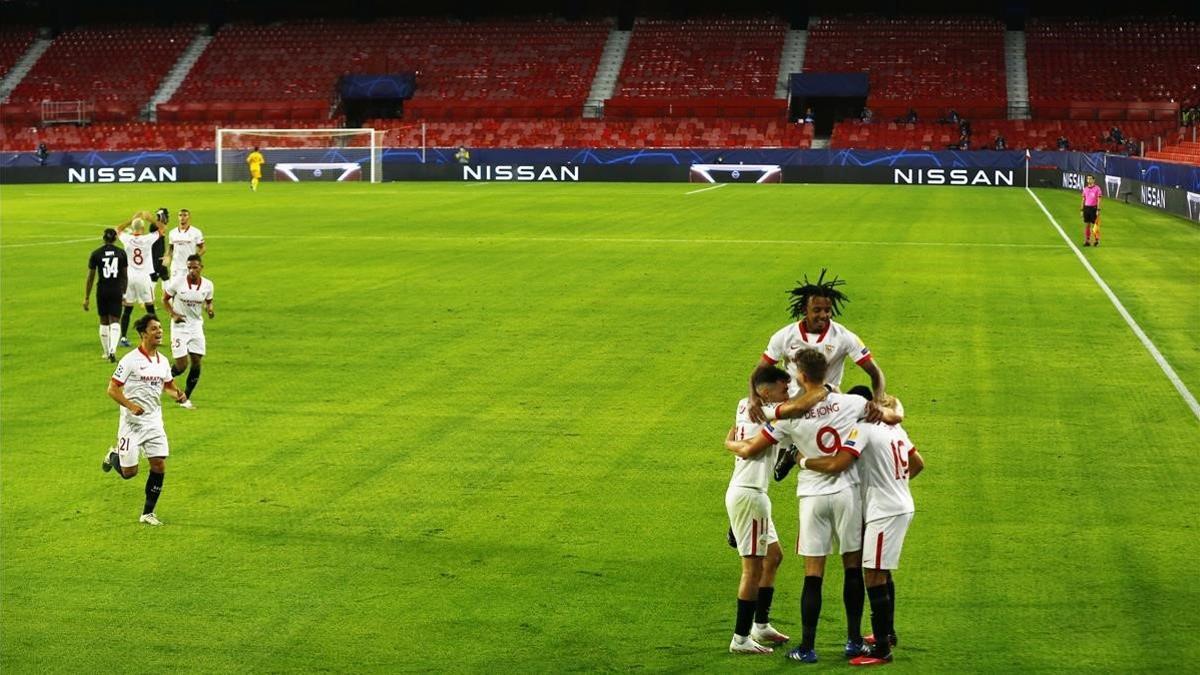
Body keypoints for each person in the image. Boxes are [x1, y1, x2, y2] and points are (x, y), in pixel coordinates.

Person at [728, 350, 898, 663]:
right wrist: (882, 404)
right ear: (828, 372)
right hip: (848, 493)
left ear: (802, 376)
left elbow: (752, 447)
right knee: (852, 569)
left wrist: (731, 443)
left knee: (813, 574)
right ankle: (852, 641)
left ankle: (807, 647)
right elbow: (894, 415)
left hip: (812, 498)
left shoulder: (786, 415)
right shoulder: (853, 404)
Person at [792, 385, 925, 666]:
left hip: (883, 510)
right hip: (901, 504)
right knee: (882, 570)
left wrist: (801, 460)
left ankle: (881, 651)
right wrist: (895, 484)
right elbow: (918, 463)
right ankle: (886, 634)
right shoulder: (895, 429)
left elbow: (838, 463)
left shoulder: (863, 430)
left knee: (874, 576)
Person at [724, 366, 829, 655]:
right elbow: (797, 408)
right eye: (783, 388)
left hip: (749, 493)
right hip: (750, 497)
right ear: (765, 391)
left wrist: (730, 443)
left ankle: (760, 624)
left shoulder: (745, 405)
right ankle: (741, 638)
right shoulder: (767, 414)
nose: (788, 393)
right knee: (752, 568)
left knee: (774, 557)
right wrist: (824, 389)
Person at [748, 269, 887, 423]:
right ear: (804, 310)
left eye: (828, 310)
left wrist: (878, 401)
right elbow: (759, 371)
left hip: (829, 409)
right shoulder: (784, 336)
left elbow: (875, 372)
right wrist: (753, 398)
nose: (823, 315)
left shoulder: (843, 336)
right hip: (794, 408)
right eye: (817, 310)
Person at [101, 314, 189, 526]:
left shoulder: (163, 361)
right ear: (143, 334)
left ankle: (148, 513)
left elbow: (167, 385)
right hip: (131, 424)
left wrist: (178, 394)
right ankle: (113, 455)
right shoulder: (130, 360)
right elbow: (112, 389)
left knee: (158, 465)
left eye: (160, 328)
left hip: (154, 422)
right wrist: (131, 406)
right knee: (129, 473)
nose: (159, 332)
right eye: (154, 329)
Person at [162, 255, 214, 409]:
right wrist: (173, 314)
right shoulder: (178, 282)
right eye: (189, 267)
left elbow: (209, 301)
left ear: (201, 268)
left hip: (196, 326)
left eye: (195, 267)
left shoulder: (208, 285)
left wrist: (210, 310)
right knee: (182, 365)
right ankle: (159, 380)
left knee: (197, 362)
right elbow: (165, 299)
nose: (191, 270)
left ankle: (186, 397)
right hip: (180, 327)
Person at [116, 214, 165, 347]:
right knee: (150, 308)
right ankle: (157, 336)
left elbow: (117, 229)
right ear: (143, 228)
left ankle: (124, 338)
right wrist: (150, 218)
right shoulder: (148, 239)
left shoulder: (127, 238)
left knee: (127, 309)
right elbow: (162, 229)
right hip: (144, 277)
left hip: (129, 277)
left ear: (133, 228)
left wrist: (131, 220)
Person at [84, 228, 128, 362]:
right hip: (116, 290)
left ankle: (105, 352)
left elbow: (90, 277)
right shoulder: (121, 253)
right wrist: (124, 293)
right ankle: (113, 350)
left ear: (103, 238)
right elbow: (124, 276)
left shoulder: (96, 254)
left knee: (103, 321)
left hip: (102, 290)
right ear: (115, 239)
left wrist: (86, 297)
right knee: (115, 320)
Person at [166, 208, 205, 281]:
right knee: (174, 290)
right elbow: (171, 247)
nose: (182, 217)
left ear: (189, 217)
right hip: (176, 268)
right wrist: (166, 259)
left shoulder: (196, 232)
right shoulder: (172, 232)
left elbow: (203, 248)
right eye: (180, 215)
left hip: (189, 267)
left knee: (188, 290)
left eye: (185, 215)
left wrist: (195, 257)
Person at [150, 207, 170, 291]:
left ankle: (167, 297)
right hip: (156, 255)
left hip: (160, 254)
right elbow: (163, 226)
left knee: (165, 276)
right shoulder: (155, 225)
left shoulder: (158, 225)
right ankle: (148, 298)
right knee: (154, 277)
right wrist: (162, 216)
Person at [1081, 174, 1102, 246]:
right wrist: (1082, 209)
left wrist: (1098, 209)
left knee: (1095, 225)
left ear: (1093, 180)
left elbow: (1099, 199)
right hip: (1086, 208)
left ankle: (1097, 240)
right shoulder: (1085, 189)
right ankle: (1087, 240)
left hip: (1094, 208)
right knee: (1087, 225)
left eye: (1090, 179)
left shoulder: (1097, 189)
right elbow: (1083, 200)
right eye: (1088, 179)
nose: (1088, 180)